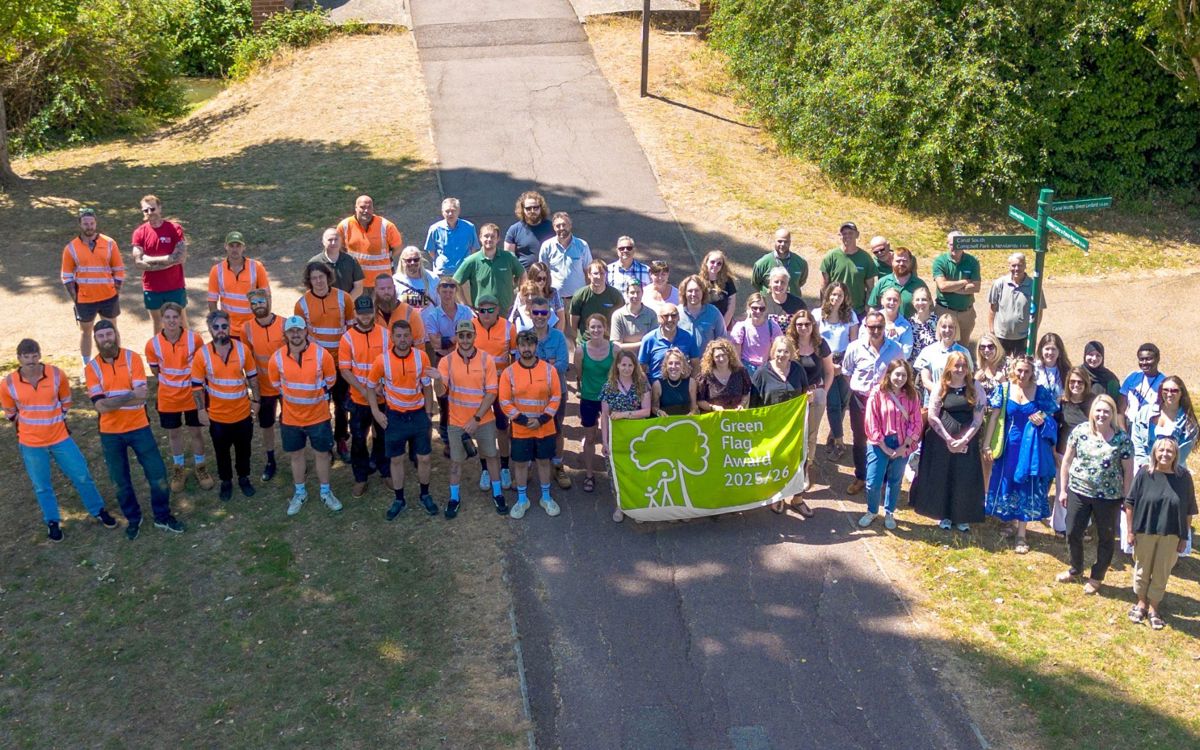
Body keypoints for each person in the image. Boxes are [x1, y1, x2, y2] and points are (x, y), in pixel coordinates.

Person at [3, 338, 118, 541]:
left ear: (39, 355)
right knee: (42, 485)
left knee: (82, 475)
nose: (31, 360)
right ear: (19, 359)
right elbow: (10, 412)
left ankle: (98, 510)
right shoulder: (8, 384)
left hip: (60, 438)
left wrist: (55, 420)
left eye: (34, 355)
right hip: (31, 444)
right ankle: (52, 521)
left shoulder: (57, 374)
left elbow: (66, 401)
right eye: (26, 357)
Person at [87, 320, 182, 539]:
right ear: (96, 340)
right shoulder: (91, 368)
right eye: (101, 336)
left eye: (109, 334)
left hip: (139, 427)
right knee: (120, 481)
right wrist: (128, 395)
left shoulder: (132, 358)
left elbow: (142, 395)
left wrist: (112, 401)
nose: (106, 339)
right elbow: (99, 406)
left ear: (116, 334)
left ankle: (162, 516)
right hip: (110, 433)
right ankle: (133, 518)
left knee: (157, 474)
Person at [1055, 395, 1133, 595]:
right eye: (1098, 410)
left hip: (1109, 497)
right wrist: (1063, 489)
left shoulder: (1122, 439)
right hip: (1079, 491)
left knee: (1106, 537)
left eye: (1106, 411)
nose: (1102, 415)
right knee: (1072, 531)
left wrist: (1126, 498)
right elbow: (1066, 462)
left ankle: (1097, 576)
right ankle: (1076, 568)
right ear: (1092, 412)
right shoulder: (1080, 432)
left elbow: (1128, 471)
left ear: (1113, 414)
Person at [983, 356, 1059, 554]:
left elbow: (1051, 412)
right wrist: (986, 445)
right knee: (1006, 481)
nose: (1022, 375)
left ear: (1032, 372)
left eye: (1026, 371)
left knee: (1026, 483)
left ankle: (1022, 534)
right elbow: (994, 418)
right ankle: (1008, 521)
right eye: (1019, 371)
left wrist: (1040, 418)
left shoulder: (1040, 392)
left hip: (1030, 447)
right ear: (1013, 370)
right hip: (1008, 446)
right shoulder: (1005, 389)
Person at [267, 315, 341, 516]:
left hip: (318, 417)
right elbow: (275, 383)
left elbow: (331, 379)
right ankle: (300, 492)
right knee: (297, 456)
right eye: (291, 331)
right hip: (291, 418)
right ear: (286, 334)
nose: (296, 334)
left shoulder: (321, 354)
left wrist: (316, 394)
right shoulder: (277, 358)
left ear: (306, 331)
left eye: (299, 330)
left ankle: (325, 492)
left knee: (322, 455)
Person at [367, 319, 439, 520]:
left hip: (417, 414)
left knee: (424, 458)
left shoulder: (421, 357)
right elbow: (370, 386)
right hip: (395, 416)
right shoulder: (382, 360)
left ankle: (425, 494)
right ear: (392, 338)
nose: (403, 340)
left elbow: (427, 386)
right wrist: (376, 412)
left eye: (406, 335)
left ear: (411, 337)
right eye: (398, 336)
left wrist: (428, 412)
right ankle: (399, 499)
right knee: (396, 459)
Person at [435, 320, 507, 516]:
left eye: (469, 335)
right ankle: (454, 498)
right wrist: (436, 379)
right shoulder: (446, 361)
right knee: (456, 462)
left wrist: (476, 419)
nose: (465, 340)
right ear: (456, 337)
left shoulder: (487, 360)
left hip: (483, 420)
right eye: (461, 335)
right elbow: (441, 392)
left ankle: (498, 494)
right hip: (456, 422)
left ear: (475, 337)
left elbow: (492, 393)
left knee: (491, 457)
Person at [1124, 437, 1196, 630]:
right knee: (1142, 569)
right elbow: (1129, 504)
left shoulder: (1183, 477)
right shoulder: (1144, 473)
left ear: (1175, 455)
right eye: (1161, 450)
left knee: (1161, 572)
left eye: (1169, 451)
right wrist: (1130, 532)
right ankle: (1141, 603)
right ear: (1154, 453)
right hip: (1144, 530)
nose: (1165, 454)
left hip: (1172, 533)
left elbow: (1189, 509)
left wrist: (1184, 537)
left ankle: (1154, 608)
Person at [910, 352, 987, 531]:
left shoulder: (975, 387)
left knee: (964, 478)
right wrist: (948, 438)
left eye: (963, 365)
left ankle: (962, 516)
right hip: (941, 442)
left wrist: (964, 440)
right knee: (943, 476)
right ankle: (943, 514)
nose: (960, 369)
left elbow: (978, 418)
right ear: (949, 367)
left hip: (966, 441)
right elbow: (933, 416)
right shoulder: (941, 386)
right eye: (956, 365)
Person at [1124, 376, 1199, 556]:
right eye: (1165, 390)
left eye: (1174, 390)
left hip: (1173, 470)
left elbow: (1183, 451)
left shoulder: (1189, 422)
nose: (1169, 394)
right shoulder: (1146, 411)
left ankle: (1169, 549)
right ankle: (1137, 542)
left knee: (1170, 507)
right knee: (1140, 505)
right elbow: (1137, 438)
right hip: (1145, 468)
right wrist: (1144, 462)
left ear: (1182, 393)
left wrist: (1164, 465)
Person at [144, 302, 212, 493]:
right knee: (174, 434)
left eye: (175, 317)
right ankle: (178, 468)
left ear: (181, 318)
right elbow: (155, 370)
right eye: (168, 317)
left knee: (196, 432)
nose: (172, 321)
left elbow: (200, 366)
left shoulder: (195, 340)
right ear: (162, 319)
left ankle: (201, 468)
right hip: (168, 398)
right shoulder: (153, 344)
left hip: (192, 395)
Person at [191, 310, 259, 502]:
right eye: (216, 327)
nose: (221, 330)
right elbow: (196, 387)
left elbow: (253, 377)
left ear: (229, 327)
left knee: (244, 450)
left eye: (224, 326)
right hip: (218, 417)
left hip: (242, 414)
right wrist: (201, 410)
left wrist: (257, 401)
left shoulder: (242, 349)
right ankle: (226, 481)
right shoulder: (202, 354)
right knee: (221, 452)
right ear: (210, 330)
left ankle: (244, 478)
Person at [499, 330, 564, 520]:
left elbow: (556, 397)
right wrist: (522, 420)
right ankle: (522, 500)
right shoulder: (508, 372)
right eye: (522, 345)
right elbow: (504, 401)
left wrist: (542, 419)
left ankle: (545, 497)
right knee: (520, 465)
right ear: (517, 348)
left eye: (530, 344)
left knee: (544, 462)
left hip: (545, 427)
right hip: (520, 429)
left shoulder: (548, 370)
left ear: (536, 347)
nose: (526, 349)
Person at [840, 311, 905, 495]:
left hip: (885, 401)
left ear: (885, 328)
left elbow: (901, 374)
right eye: (872, 327)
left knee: (884, 438)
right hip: (860, 399)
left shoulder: (896, 349)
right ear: (865, 327)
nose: (876, 330)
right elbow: (846, 372)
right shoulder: (854, 347)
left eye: (879, 327)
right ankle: (861, 477)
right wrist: (859, 388)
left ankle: (882, 480)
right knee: (860, 438)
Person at [295, 261, 354, 462]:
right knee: (321, 405)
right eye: (314, 278)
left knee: (341, 405)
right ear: (309, 281)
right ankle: (325, 444)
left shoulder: (343, 298)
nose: (318, 281)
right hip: (316, 365)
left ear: (328, 277)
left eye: (321, 277)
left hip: (340, 363)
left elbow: (351, 329)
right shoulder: (301, 304)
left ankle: (341, 440)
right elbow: (299, 336)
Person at [338, 295, 392, 498]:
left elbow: (391, 363)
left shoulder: (386, 335)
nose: (366, 317)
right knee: (359, 439)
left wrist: (381, 386)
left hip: (382, 397)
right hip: (359, 400)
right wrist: (365, 390)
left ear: (373, 312)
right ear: (355, 314)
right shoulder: (347, 338)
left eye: (369, 312)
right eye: (361, 313)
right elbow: (345, 371)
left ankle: (385, 470)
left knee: (384, 436)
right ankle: (360, 478)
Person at [750, 336, 810, 514]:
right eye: (778, 351)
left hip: (795, 426)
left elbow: (805, 390)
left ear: (791, 353)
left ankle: (798, 499)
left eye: (785, 351)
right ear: (772, 352)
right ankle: (777, 496)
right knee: (776, 461)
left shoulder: (798, 369)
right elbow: (753, 404)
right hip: (771, 429)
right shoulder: (762, 373)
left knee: (799, 459)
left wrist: (809, 397)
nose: (782, 355)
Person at [860, 359, 923, 529]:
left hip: (903, 442)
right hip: (879, 442)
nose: (900, 378)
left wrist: (905, 446)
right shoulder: (877, 393)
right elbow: (871, 420)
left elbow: (916, 421)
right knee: (873, 480)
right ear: (889, 374)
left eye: (904, 375)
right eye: (897, 374)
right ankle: (872, 511)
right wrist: (883, 445)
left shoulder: (912, 395)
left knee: (895, 480)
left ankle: (889, 512)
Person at [61, 207, 124, 366]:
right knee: (86, 332)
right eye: (85, 223)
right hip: (85, 299)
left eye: (91, 223)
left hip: (108, 297)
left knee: (112, 331)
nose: (89, 226)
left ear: (96, 223)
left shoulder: (109, 243)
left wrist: (115, 290)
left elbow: (118, 269)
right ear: (80, 225)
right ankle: (86, 365)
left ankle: (117, 361)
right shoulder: (71, 248)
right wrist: (75, 296)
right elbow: (66, 276)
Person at [600, 350, 653, 522]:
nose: (627, 368)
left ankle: (637, 506)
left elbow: (646, 411)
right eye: (623, 364)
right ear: (617, 365)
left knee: (637, 472)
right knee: (617, 473)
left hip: (637, 436)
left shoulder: (642, 384)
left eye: (630, 365)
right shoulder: (609, 386)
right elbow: (605, 416)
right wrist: (605, 441)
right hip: (616, 438)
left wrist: (624, 414)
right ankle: (620, 505)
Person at [473, 294, 519, 489]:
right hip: (478, 388)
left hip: (501, 386)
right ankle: (485, 469)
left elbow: (515, 358)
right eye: (481, 310)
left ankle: (505, 467)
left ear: (498, 310)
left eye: (490, 310)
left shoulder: (509, 328)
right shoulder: (470, 326)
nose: (486, 314)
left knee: (502, 427)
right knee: (483, 429)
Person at [423, 275, 474, 446]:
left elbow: (470, 337)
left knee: (463, 395)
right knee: (443, 397)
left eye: (451, 288)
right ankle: (445, 431)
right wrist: (459, 337)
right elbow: (436, 343)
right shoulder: (432, 315)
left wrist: (449, 340)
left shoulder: (466, 311)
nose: (448, 292)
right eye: (444, 289)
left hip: (463, 359)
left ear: (456, 290)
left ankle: (464, 430)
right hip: (442, 359)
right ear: (438, 291)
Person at [241, 289, 285, 481]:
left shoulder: (284, 324)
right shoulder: (246, 328)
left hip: (285, 387)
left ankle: (296, 457)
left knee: (292, 423)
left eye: (261, 301)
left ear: (269, 300)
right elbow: (247, 359)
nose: (259, 306)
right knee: (266, 426)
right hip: (264, 388)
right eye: (254, 303)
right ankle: (270, 460)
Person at [787, 308, 834, 486]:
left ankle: (805, 469)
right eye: (799, 324)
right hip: (794, 396)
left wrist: (823, 391)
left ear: (813, 325)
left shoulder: (821, 344)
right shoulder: (789, 344)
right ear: (794, 326)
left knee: (811, 434)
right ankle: (790, 469)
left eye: (807, 324)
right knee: (794, 433)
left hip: (816, 394)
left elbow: (829, 371)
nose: (803, 327)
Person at [531, 295, 573, 489]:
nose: (540, 316)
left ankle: (557, 465)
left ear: (549, 315)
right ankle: (529, 466)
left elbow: (563, 365)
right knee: (531, 427)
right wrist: (550, 363)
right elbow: (521, 365)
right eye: (536, 312)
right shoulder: (526, 336)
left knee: (556, 428)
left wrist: (537, 365)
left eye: (544, 313)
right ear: (530, 314)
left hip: (558, 391)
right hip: (531, 393)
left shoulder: (558, 336)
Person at [130, 194, 188, 334]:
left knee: (181, 321)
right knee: (158, 323)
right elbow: (138, 262)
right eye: (145, 210)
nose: (150, 213)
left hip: (174, 285)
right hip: (152, 287)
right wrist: (167, 259)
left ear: (160, 208)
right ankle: (159, 353)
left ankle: (189, 352)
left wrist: (149, 259)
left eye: (152, 209)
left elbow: (180, 257)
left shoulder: (174, 228)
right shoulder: (139, 232)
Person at [813, 282, 859, 458]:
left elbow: (854, 342)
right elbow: (814, 340)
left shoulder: (850, 316)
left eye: (839, 295)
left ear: (845, 298)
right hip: (825, 360)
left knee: (842, 404)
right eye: (833, 294)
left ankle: (832, 437)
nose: (835, 298)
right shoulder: (817, 315)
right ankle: (840, 442)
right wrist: (829, 365)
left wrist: (844, 365)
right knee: (832, 403)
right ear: (827, 295)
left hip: (844, 360)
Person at [576, 314, 616, 494]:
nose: (596, 330)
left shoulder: (614, 349)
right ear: (587, 329)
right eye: (592, 327)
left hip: (610, 398)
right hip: (589, 398)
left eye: (599, 327)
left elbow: (618, 373)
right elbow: (579, 372)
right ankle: (589, 474)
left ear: (605, 329)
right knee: (590, 437)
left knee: (611, 438)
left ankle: (615, 473)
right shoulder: (581, 350)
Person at [1053, 367, 1095, 536]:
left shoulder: (1093, 403)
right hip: (1064, 453)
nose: (1076, 385)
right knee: (1063, 489)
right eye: (1072, 382)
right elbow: (1054, 427)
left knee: (1084, 491)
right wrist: (1054, 451)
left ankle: (1082, 526)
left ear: (1086, 384)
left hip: (1087, 456)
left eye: (1080, 382)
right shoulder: (1062, 402)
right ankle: (1060, 526)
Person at [207, 231, 270, 339]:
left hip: (253, 326)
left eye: (238, 245)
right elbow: (212, 301)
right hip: (228, 328)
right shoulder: (216, 270)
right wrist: (217, 325)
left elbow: (267, 296)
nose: (235, 249)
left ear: (243, 247)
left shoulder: (256, 267)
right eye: (231, 245)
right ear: (226, 246)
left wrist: (264, 321)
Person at [455, 222, 526, 313]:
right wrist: (465, 306)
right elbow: (455, 283)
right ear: (480, 238)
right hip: (482, 314)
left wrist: (521, 297)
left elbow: (523, 274)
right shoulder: (472, 261)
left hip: (506, 313)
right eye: (486, 236)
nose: (489, 239)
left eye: (493, 236)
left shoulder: (508, 257)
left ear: (498, 239)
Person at [337, 194, 403, 287]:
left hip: (381, 283)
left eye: (369, 207)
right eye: (362, 207)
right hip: (356, 282)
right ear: (355, 208)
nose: (366, 211)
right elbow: (339, 249)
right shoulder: (344, 226)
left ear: (373, 209)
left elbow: (398, 248)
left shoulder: (387, 226)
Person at [987, 253, 1042, 357]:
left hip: (1023, 337)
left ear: (1025, 266)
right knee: (1000, 365)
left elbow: (1039, 311)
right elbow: (992, 309)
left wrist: (1033, 332)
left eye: (1020, 265)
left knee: (1021, 368)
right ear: (1009, 266)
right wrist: (991, 330)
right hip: (1001, 336)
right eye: (1013, 265)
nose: (1016, 268)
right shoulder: (999, 284)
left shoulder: (1034, 285)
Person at [932, 231, 981, 346]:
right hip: (944, 310)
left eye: (959, 244)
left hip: (966, 313)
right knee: (942, 345)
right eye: (952, 244)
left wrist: (952, 288)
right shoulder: (940, 261)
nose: (955, 247)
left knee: (962, 347)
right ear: (947, 244)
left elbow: (976, 287)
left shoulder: (972, 261)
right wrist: (964, 282)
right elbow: (942, 286)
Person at [819, 221, 876, 316]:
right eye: (844, 233)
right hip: (835, 310)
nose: (847, 236)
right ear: (840, 236)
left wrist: (868, 307)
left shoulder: (866, 258)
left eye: (850, 233)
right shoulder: (831, 256)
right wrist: (825, 306)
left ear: (857, 235)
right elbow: (823, 286)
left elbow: (870, 287)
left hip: (858, 311)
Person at [914, 314, 972, 406]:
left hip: (959, 403)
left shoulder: (964, 352)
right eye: (944, 327)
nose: (947, 330)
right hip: (934, 402)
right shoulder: (928, 351)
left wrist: (953, 398)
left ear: (956, 329)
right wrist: (943, 394)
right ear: (938, 329)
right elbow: (925, 381)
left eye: (951, 327)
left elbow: (969, 378)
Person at [538, 211, 592, 308]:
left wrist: (589, 295)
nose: (561, 228)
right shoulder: (547, 246)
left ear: (570, 226)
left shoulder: (582, 245)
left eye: (564, 225)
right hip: (554, 299)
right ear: (554, 228)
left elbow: (588, 271)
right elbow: (542, 273)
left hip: (578, 299)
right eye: (558, 226)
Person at [638, 303, 701, 382]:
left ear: (678, 317)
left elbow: (695, 365)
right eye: (666, 316)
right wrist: (648, 388)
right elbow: (641, 369)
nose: (670, 319)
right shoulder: (649, 339)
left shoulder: (688, 337)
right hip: (656, 389)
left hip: (682, 388)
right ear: (659, 318)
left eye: (673, 315)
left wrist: (691, 384)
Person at [569, 260, 625, 346]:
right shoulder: (579, 296)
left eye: (602, 273)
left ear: (606, 274)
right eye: (595, 273)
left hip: (608, 343)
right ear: (589, 275)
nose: (598, 277)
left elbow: (621, 321)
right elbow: (573, 326)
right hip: (585, 344)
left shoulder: (616, 295)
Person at [424, 196, 479, 276]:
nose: (450, 214)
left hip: (463, 272)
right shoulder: (435, 229)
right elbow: (431, 250)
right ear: (442, 212)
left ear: (458, 211)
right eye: (447, 211)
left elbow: (473, 248)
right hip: (442, 273)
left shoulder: (469, 227)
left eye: (453, 211)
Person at [730, 293, 783, 375]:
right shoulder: (740, 327)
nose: (758, 311)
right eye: (754, 308)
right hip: (746, 368)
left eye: (762, 308)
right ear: (749, 308)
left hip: (767, 368)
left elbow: (778, 349)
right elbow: (737, 358)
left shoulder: (772, 326)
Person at [866, 246, 925, 318]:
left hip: (913, 327)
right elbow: (873, 307)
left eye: (905, 261)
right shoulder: (882, 282)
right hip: (887, 327)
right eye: (898, 261)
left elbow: (928, 309)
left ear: (910, 262)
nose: (901, 264)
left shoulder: (919, 285)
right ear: (891, 261)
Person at [677, 274, 728, 353]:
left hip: (707, 363)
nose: (693, 294)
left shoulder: (714, 313)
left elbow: (722, 340)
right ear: (684, 293)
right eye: (690, 291)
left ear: (703, 292)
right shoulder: (676, 313)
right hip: (683, 363)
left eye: (697, 290)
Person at [505, 190, 555, 270]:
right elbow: (508, 258)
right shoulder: (514, 230)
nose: (532, 211)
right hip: (523, 278)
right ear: (522, 209)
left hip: (547, 277)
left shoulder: (552, 227)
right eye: (528, 208)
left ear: (541, 208)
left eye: (536, 207)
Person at [751, 228, 808, 297]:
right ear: (774, 241)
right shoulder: (762, 263)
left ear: (790, 242)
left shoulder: (801, 262)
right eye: (779, 241)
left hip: (793, 304)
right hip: (769, 304)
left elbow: (801, 282)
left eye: (786, 242)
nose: (782, 244)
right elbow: (756, 283)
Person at [310, 226, 364, 299]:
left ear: (341, 241)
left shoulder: (351, 260)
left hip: (348, 306)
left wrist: (346, 302)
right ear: (323, 242)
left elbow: (358, 287)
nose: (333, 243)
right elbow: (311, 288)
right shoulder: (314, 263)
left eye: (336, 239)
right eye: (330, 240)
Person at [860, 287, 912, 358]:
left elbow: (906, 353)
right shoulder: (869, 319)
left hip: (892, 365)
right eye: (889, 299)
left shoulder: (905, 326)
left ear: (900, 302)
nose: (892, 302)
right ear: (882, 301)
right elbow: (862, 341)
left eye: (895, 300)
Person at [1121, 343, 1165, 424]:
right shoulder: (1132, 377)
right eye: (1141, 359)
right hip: (1130, 425)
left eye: (1148, 359)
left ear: (1158, 359)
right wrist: (1123, 431)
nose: (1144, 362)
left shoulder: (1164, 383)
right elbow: (1121, 408)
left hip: (1150, 427)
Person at [609, 279, 657, 353]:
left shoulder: (651, 314)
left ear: (642, 293)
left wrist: (626, 345)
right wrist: (642, 343)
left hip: (645, 359)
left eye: (638, 292)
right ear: (627, 294)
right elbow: (616, 346)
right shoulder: (618, 315)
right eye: (632, 292)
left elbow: (654, 342)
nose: (635, 296)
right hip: (624, 359)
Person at [699, 249, 739, 328]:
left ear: (722, 266)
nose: (715, 265)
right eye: (712, 262)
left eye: (719, 264)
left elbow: (731, 307)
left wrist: (722, 326)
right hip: (703, 325)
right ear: (706, 262)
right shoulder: (698, 281)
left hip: (724, 324)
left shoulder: (728, 281)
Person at [652, 348, 696, 416]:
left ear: (683, 365)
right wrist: (659, 412)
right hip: (666, 423)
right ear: (666, 366)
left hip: (686, 422)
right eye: (670, 363)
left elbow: (694, 407)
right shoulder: (657, 385)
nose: (673, 366)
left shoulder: (691, 383)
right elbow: (654, 407)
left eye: (677, 363)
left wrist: (692, 413)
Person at [525, 261, 566, 329]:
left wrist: (557, 336)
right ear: (532, 278)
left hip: (552, 333)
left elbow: (561, 318)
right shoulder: (525, 294)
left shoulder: (554, 292)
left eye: (544, 279)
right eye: (539, 279)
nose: (542, 282)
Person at [1081, 340, 1121, 404]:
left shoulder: (1110, 378)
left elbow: (1115, 402)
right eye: (1090, 354)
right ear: (1085, 355)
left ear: (1102, 357)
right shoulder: (1077, 374)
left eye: (1098, 355)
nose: (1094, 358)